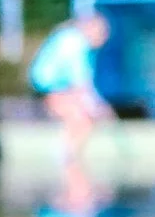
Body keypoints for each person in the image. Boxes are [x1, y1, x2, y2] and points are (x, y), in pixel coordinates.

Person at [27, 11, 116, 164]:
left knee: (83, 118)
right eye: (102, 33)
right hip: (49, 87)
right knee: (82, 118)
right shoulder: (75, 43)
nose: (104, 39)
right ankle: (65, 159)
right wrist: (97, 106)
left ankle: (68, 157)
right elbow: (80, 83)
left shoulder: (75, 40)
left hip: (56, 86)